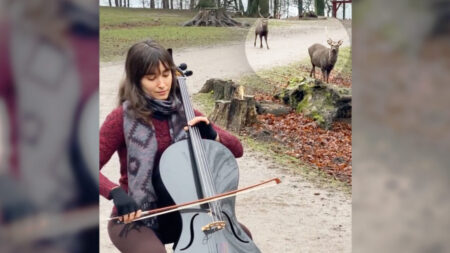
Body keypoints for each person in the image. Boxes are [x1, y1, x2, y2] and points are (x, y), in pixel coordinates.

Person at [100, 40, 251, 253]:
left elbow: (237, 150)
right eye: (151, 78)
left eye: (166, 74)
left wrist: (213, 135)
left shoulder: (187, 113)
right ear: (137, 80)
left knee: (238, 239)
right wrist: (115, 192)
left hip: (189, 213)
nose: (162, 84)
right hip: (137, 217)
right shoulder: (120, 119)